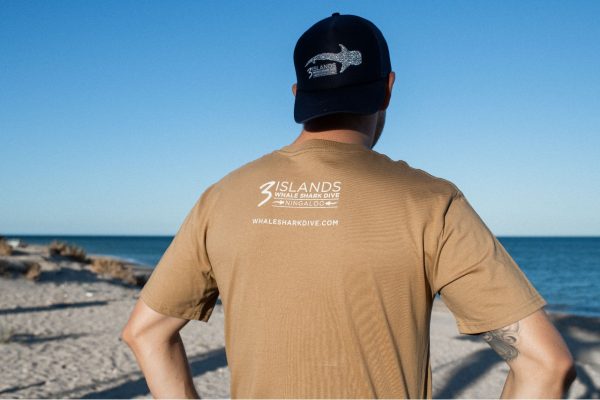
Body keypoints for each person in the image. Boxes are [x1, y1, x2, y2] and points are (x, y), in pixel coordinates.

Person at [121, 12, 576, 399]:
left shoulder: (222, 198)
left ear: (296, 94)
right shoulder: (431, 202)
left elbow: (145, 332)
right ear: (388, 89)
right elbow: (546, 364)